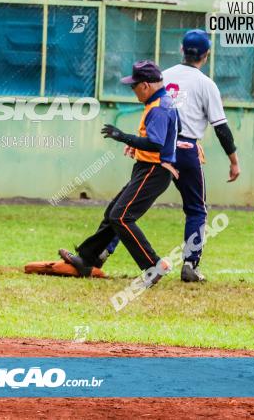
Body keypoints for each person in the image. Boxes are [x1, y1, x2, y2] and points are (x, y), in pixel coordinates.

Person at [97, 30, 240, 282]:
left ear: (181, 50)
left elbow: (153, 112)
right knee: (196, 208)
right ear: (206, 55)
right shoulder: (206, 84)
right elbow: (221, 128)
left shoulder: (163, 76)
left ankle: (103, 251)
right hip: (185, 150)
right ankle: (190, 264)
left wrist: (136, 141)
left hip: (157, 149)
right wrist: (233, 160)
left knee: (129, 203)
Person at [59, 60, 180, 286]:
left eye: (133, 86)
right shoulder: (164, 102)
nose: (133, 91)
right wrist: (139, 146)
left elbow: (156, 143)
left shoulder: (159, 107)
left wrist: (123, 136)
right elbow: (172, 133)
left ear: (145, 85)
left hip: (154, 171)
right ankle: (87, 259)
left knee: (121, 216)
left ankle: (153, 266)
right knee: (112, 213)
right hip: (148, 168)